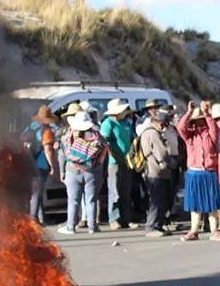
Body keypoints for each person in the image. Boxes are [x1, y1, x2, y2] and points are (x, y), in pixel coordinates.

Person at [177, 100, 220, 242]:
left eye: (201, 120)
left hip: (209, 172)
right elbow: (180, 127)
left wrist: (206, 113)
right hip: (194, 173)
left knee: (212, 205)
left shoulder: (211, 134)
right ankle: (193, 231)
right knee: (195, 205)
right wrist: (188, 112)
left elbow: (214, 128)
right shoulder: (189, 136)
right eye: (196, 121)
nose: (198, 123)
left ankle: (214, 231)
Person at [58, 111, 106, 235]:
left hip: (72, 170)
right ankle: (92, 227)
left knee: (73, 200)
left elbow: (62, 155)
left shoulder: (68, 136)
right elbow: (104, 152)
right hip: (92, 171)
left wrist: (62, 171)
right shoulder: (97, 135)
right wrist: (99, 166)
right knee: (91, 200)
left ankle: (71, 227)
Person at [139, 107, 179, 237]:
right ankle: (151, 227)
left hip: (155, 171)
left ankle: (158, 225)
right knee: (156, 201)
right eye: (164, 123)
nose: (165, 126)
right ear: (159, 122)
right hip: (155, 171)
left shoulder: (149, 132)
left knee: (160, 200)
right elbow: (161, 153)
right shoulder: (152, 133)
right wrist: (173, 164)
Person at [100, 98, 138, 230]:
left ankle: (126, 219)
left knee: (126, 191)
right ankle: (113, 219)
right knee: (114, 192)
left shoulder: (125, 123)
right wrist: (111, 153)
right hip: (114, 162)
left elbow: (132, 139)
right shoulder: (108, 123)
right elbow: (104, 141)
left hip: (127, 161)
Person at [20, 105, 58, 225]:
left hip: (28, 162)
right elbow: (48, 149)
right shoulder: (46, 131)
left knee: (37, 191)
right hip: (40, 164)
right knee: (36, 193)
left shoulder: (31, 128)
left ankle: (41, 218)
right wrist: (52, 165)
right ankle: (34, 220)